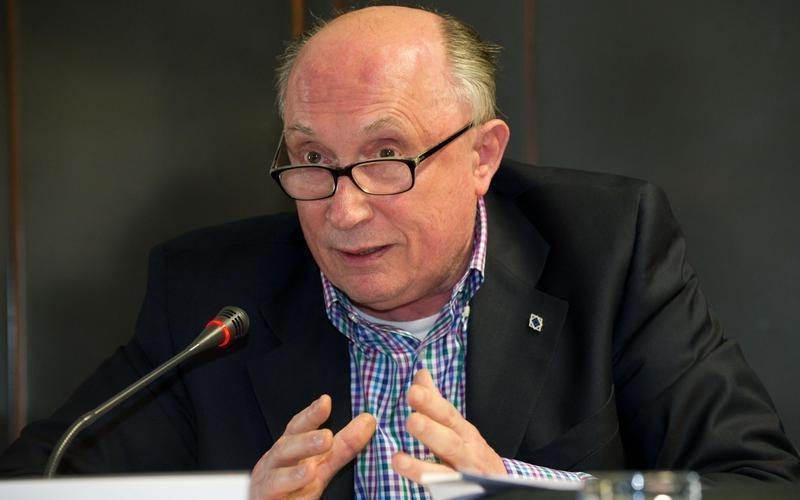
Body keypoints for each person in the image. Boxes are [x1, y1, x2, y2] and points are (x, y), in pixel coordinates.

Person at [1, 5, 798, 499]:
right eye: (313, 160)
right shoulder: (214, 292)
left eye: (387, 157)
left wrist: (520, 491)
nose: (344, 210)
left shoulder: (608, 251)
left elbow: (759, 483)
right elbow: (37, 484)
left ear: (482, 156)